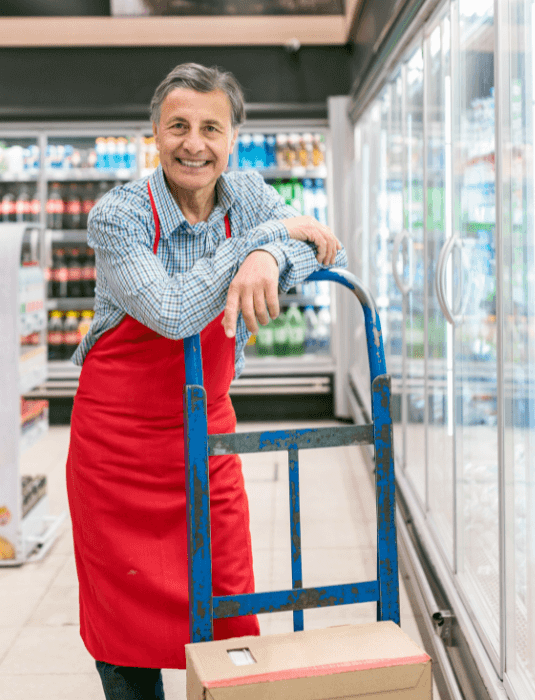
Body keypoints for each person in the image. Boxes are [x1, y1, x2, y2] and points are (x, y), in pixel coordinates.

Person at [66, 63, 346, 700]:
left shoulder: (245, 193)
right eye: (179, 127)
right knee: (122, 626)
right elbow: (170, 313)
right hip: (116, 450)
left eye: (211, 128)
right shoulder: (119, 216)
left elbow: (329, 248)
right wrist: (263, 238)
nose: (195, 143)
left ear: (233, 136)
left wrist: (265, 253)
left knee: (226, 604)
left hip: (206, 438)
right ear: (155, 134)